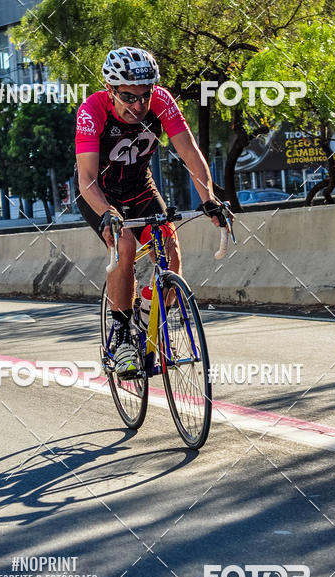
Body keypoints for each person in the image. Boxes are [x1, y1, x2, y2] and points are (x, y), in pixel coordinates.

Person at [75, 46, 229, 377]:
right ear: (111, 90)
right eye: (129, 96)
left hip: (141, 187)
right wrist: (107, 212)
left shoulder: (161, 102)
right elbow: (86, 178)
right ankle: (122, 339)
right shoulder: (92, 111)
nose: (139, 105)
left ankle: (146, 321)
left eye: (145, 95)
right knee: (125, 246)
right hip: (99, 194)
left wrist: (209, 199)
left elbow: (189, 152)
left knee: (170, 252)